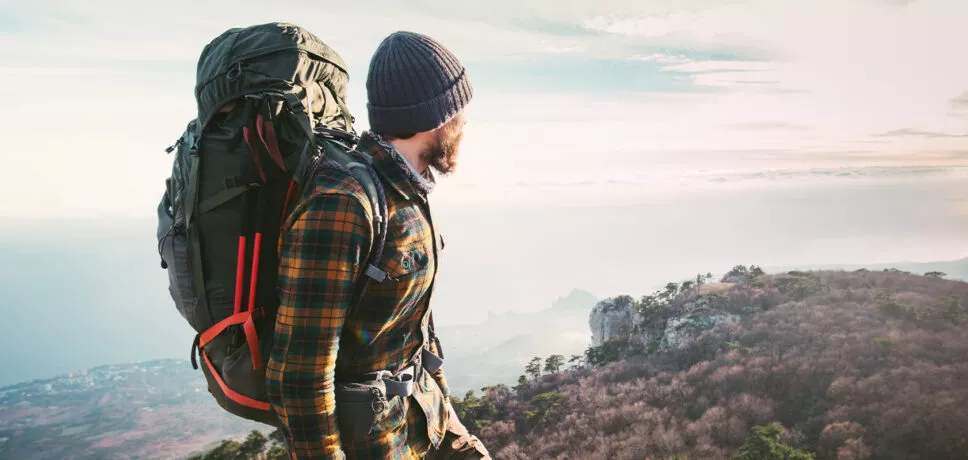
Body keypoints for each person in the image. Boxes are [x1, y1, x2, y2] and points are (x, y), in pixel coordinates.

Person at [266, 30, 491, 459]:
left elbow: (412, 330)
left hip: (424, 426)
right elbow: (299, 375)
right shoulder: (345, 202)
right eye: (460, 111)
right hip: (378, 446)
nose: (464, 125)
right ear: (435, 117)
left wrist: (454, 430)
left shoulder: (404, 192)